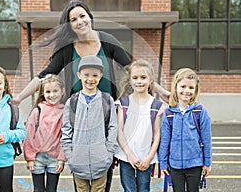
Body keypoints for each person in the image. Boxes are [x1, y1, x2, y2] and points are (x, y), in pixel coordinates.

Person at [11, 0, 169, 191]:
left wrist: (161, 92)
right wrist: (19, 97)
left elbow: (132, 69)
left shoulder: (108, 41)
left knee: (103, 174)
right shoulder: (67, 49)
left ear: (90, 17)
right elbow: (44, 76)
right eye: (73, 19)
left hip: (104, 113)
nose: (79, 21)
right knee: (83, 175)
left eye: (82, 16)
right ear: (69, 25)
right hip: (80, 116)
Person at [60, 55, 118, 192]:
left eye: (95, 75)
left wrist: (108, 154)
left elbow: (113, 127)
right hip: (78, 161)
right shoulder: (72, 101)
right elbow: (66, 130)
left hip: (101, 161)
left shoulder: (107, 100)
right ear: (79, 75)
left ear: (101, 76)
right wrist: (70, 155)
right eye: (86, 75)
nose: (90, 79)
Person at [115, 59, 167, 192]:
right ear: (130, 81)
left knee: (144, 188)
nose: (139, 81)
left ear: (150, 81)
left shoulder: (156, 106)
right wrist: (129, 154)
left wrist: (149, 157)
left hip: (146, 157)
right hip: (126, 156)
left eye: (143, 77)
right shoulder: (124, 103)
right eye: (135, 78)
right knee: (128, 189)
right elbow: (119, 131)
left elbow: (157, 134)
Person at [158, 68, 212, 192]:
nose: (186, 91)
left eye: (191, 88)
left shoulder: (200, 112)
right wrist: (163, 162)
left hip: (195, 164)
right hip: (175, 165)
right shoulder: (169, 114)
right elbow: (165, 141)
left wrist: (207, 162)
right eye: (183, 86)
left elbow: (207, 140)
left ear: (196, 90)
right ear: (175, 87)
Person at [23, 74, 67, 192]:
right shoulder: (38, 110)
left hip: (55, 158)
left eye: (55, 91)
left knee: (52, 190)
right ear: (43, 93)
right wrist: (30, 158)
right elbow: (29, 135)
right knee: (38, 190)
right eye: (48, 92)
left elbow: (66, 137)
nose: (52, 95)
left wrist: (62, 159)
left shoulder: (65, 111)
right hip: (37, 157)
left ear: (62, 91)